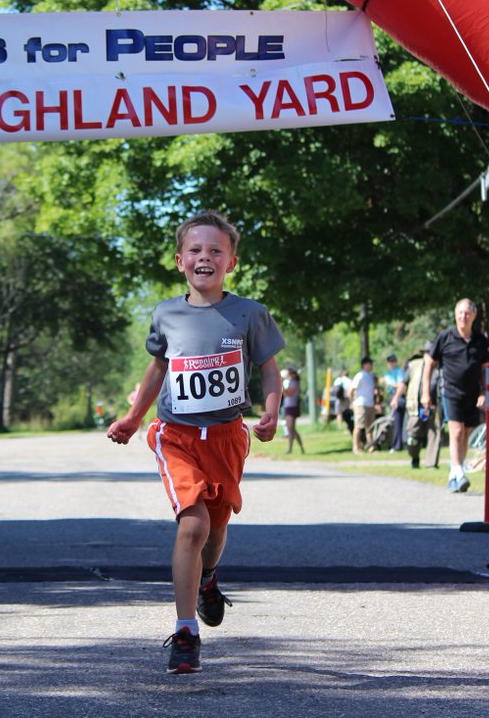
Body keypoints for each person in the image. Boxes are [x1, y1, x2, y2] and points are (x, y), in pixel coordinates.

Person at [105, 210, 284, 676]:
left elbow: (267, 367)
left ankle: (207, 578)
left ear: (232, 262)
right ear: (179, 260)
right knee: (193, 525)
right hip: (177, 434)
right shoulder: (166, 312)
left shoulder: (250, 313)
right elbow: (158, 369)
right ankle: (186, 632)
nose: (205, 256)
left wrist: (270, 409)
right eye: (196, 250)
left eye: (215, 250)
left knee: (217, 526)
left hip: (226, 436)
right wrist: (132, 418)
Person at [422, 298, 489, 493]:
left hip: (472, 394)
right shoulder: (444, 337)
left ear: (474, 316)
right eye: (460, 313)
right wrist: (425, 392)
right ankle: (459, 472)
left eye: (467, 313)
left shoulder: (480, 341)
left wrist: (484, 392)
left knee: (466, 434)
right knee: (456, 431)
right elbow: (428, 364)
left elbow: (485, 369)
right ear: (455, 315)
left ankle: (455, 474)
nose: (463, 317)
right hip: (450, 392)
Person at [399, 345, 443, 469]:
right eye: (428, 352)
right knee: (413, 436)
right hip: (417, 407)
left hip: (434, 406)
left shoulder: (440, 367)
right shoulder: (414, 365)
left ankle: (431, 464)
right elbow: (404, 382)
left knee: (434, 435)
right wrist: (396, 398)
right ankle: (414, 457)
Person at [349, 356, 377, 454]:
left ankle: (371, 446)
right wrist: (352, 402)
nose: (371, 365)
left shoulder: (370, 376)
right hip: (360, 404)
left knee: (370, 427)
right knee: (358, 426)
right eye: (370, 363)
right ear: (365, 365)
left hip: (369, 404)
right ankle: (355, 447)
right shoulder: (360, 375)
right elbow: (351, 390)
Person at [382, 353, 407, 451]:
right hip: (390, 396)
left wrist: (392, 387)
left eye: (392, 362)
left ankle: (397, 445)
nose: (391, 364)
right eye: (389, 362)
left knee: (398, 422)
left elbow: (401, 385)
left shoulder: (398, 372)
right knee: (394, 422)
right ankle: (397, 444)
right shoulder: (387, 373)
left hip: (397, 397)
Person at [282, 367, 303, 454]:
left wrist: (280, 385)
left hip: (291, 407)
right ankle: (301, 448)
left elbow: (287, 394)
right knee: (292, 429)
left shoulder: (294, 383)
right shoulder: (291, 382)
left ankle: (290, 449)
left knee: (290, 429)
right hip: (289, 407)